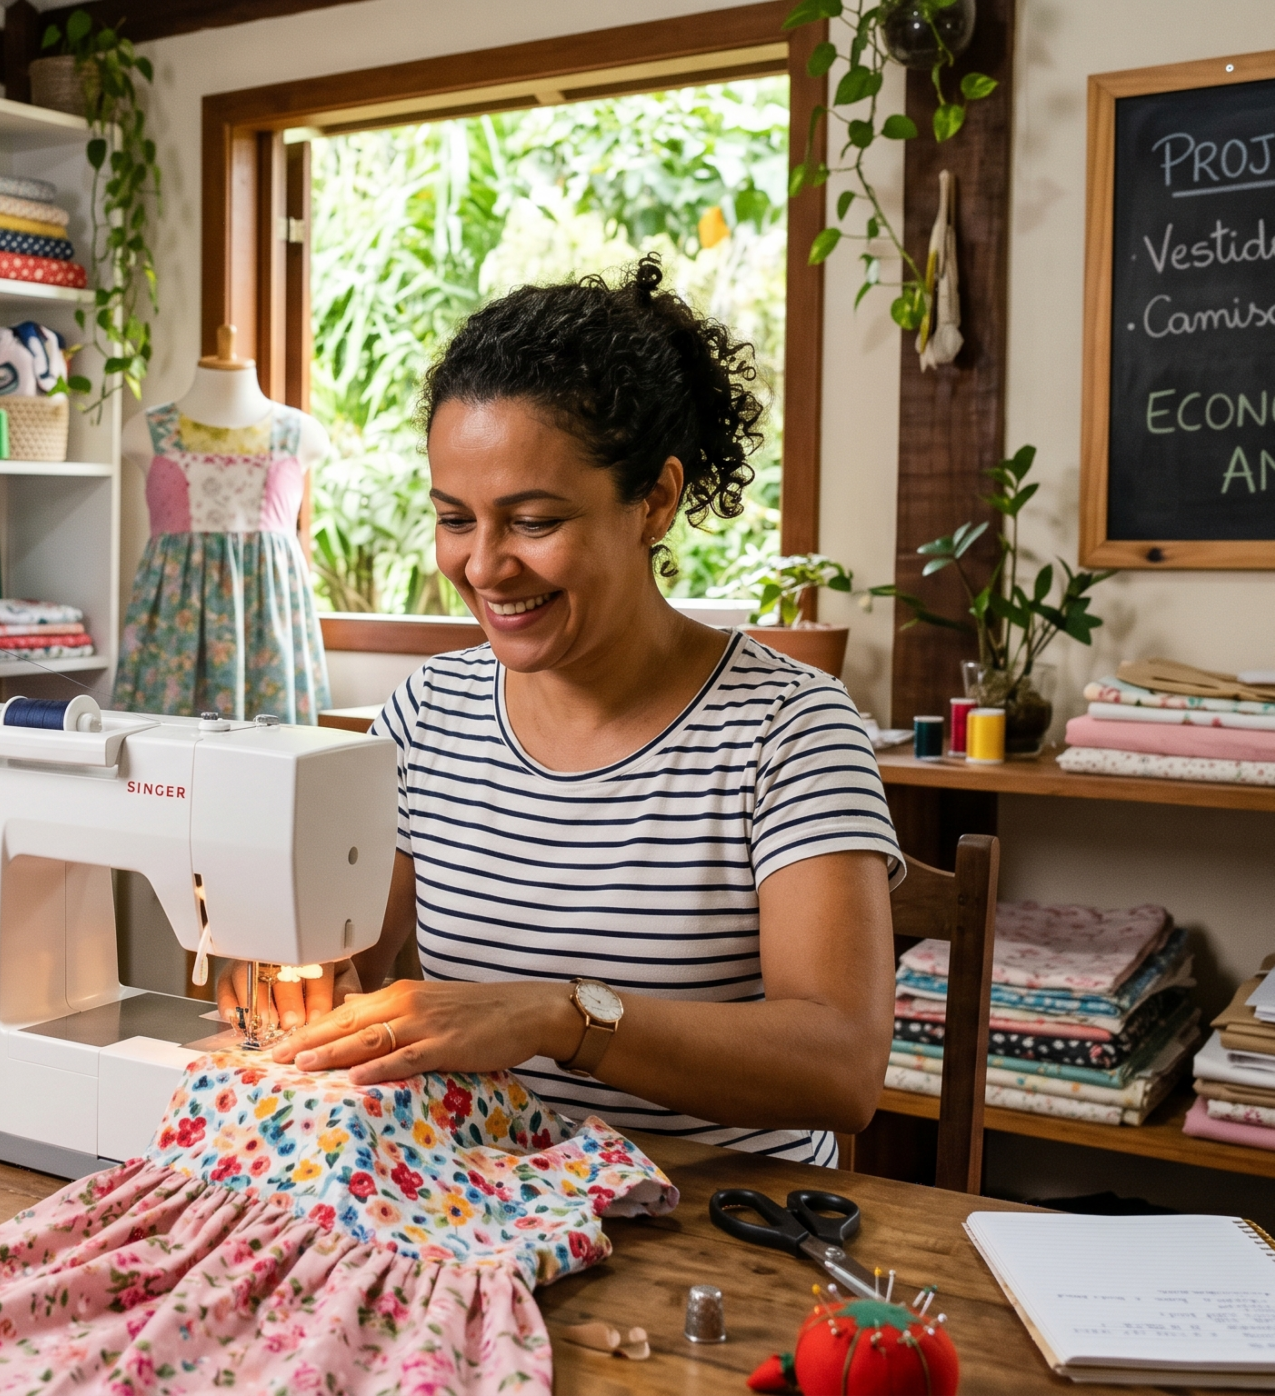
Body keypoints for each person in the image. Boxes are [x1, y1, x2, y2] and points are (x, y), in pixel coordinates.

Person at [256, 258, 899, 1165]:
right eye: (455, 519)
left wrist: (559, 1017)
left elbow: (840, 1068)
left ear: (655, 502)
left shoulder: (789, 731)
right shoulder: (429, 714)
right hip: (480, 1197)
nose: (484, 566)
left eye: (533, 521)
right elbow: (348, 960)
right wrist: (290, 969)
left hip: (717, 1216)